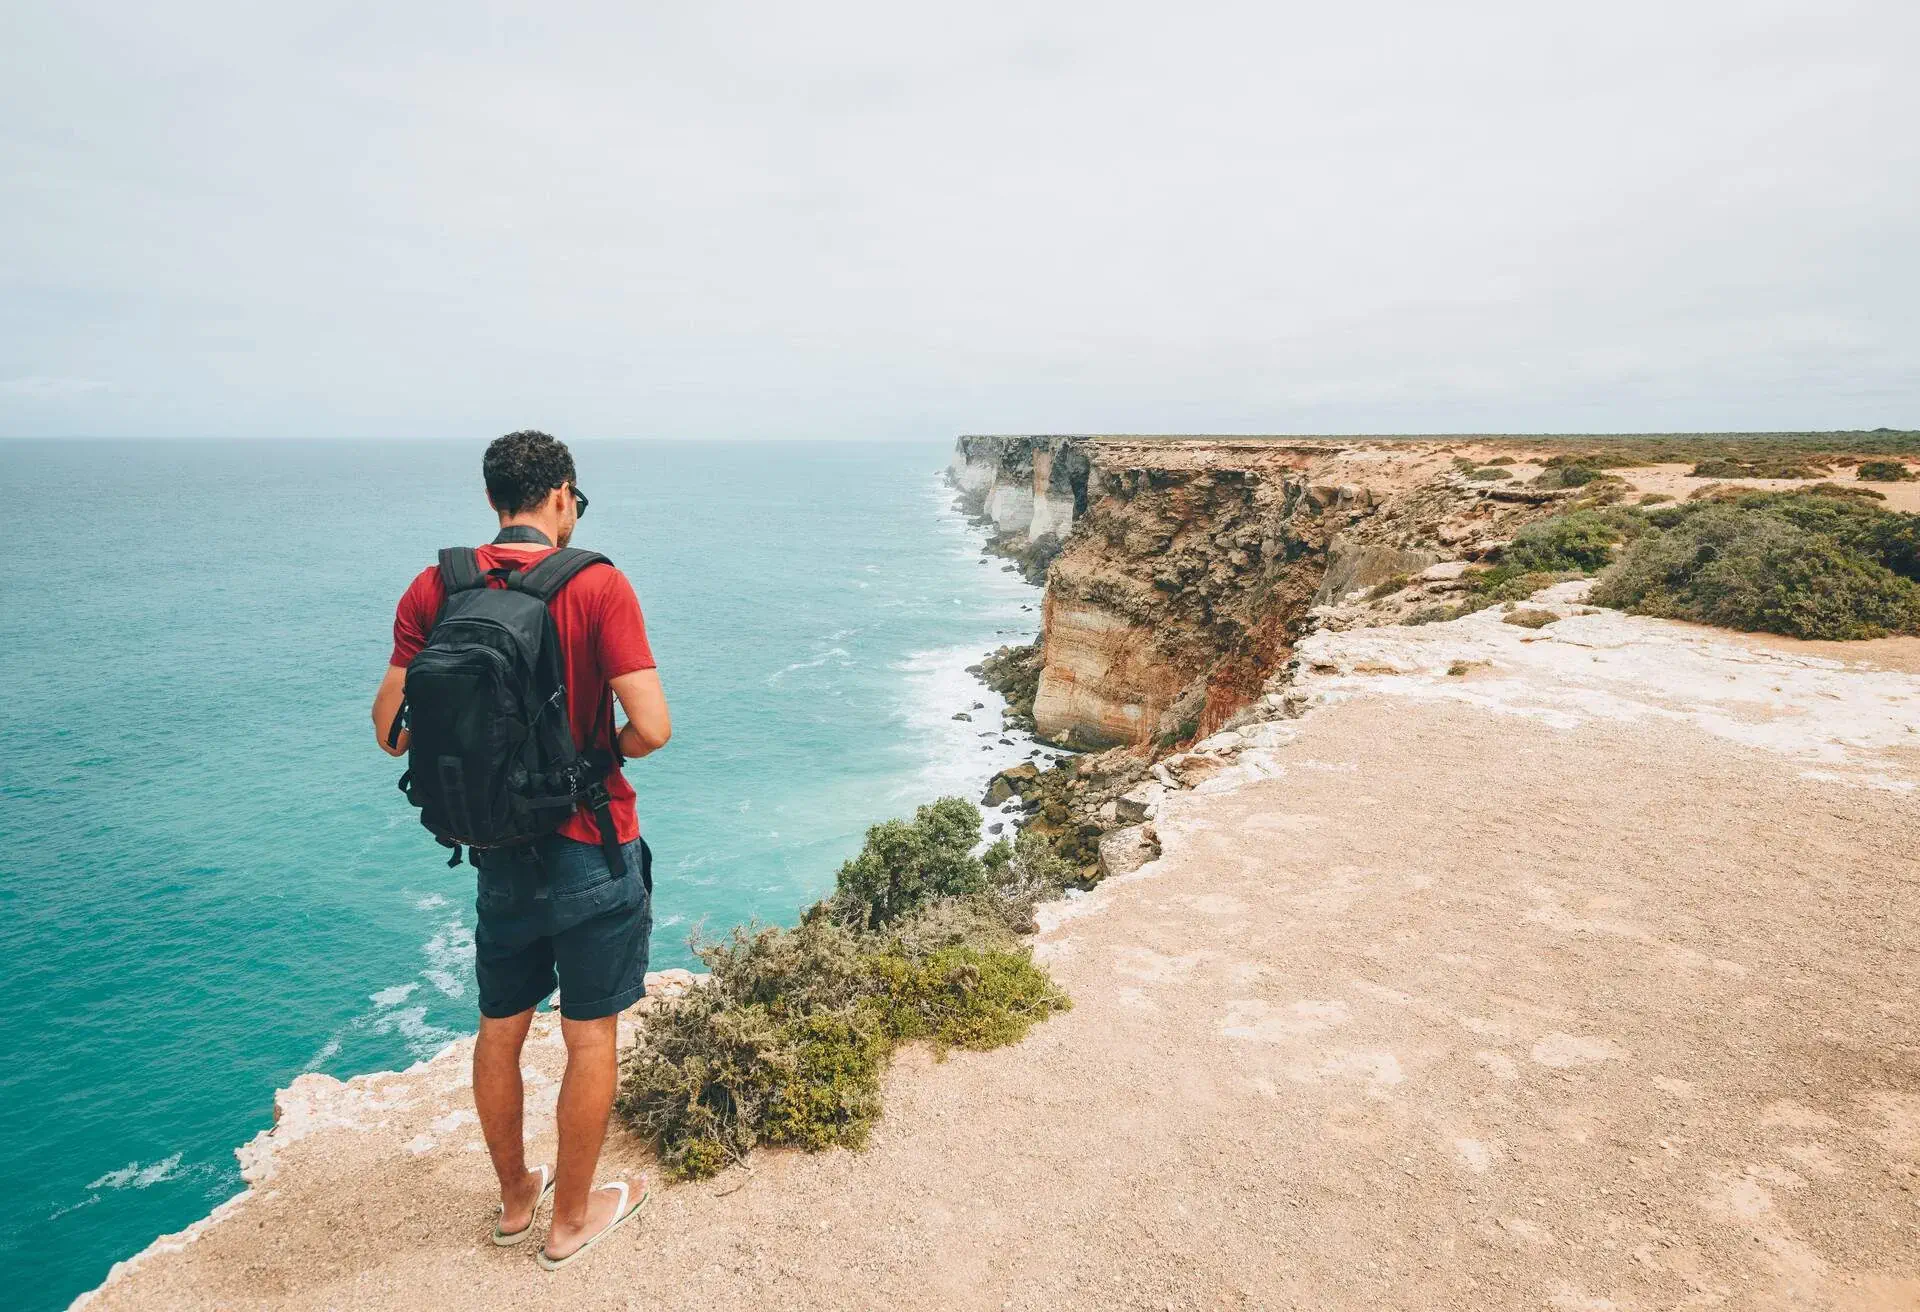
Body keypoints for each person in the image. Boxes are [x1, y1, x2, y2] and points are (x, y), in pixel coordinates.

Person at [371, 430, 671, 1269]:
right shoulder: (598, 584)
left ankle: (515, 1200)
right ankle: (571, 1221)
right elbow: (653, 726)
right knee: (590, 1035)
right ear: (563, 494)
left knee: (500, 1028)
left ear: (493, 498)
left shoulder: (436, 586)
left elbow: (390, 731)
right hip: (590, 846)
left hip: (498, 849)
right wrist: (602, 755)